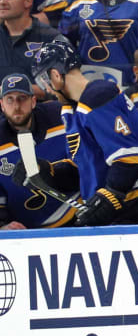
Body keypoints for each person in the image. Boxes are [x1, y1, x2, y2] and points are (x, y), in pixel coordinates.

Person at [30, 40, 138, 225]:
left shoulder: (97, 96)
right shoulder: (74, 110)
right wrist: (46, 172)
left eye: (44, 81)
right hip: (124, 206)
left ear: (55, 75)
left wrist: (108, 198)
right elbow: (82, 169)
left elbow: (129, 159)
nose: (46, 90)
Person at [0, 73, 78, 228]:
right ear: (1, 105)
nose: (16, 106)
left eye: (22, 98)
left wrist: (50, 171)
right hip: (28, 235)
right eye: (10, 99)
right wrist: (3, 225)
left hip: (76, 218)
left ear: (33, 101)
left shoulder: (59, 116)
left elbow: (85, 165)